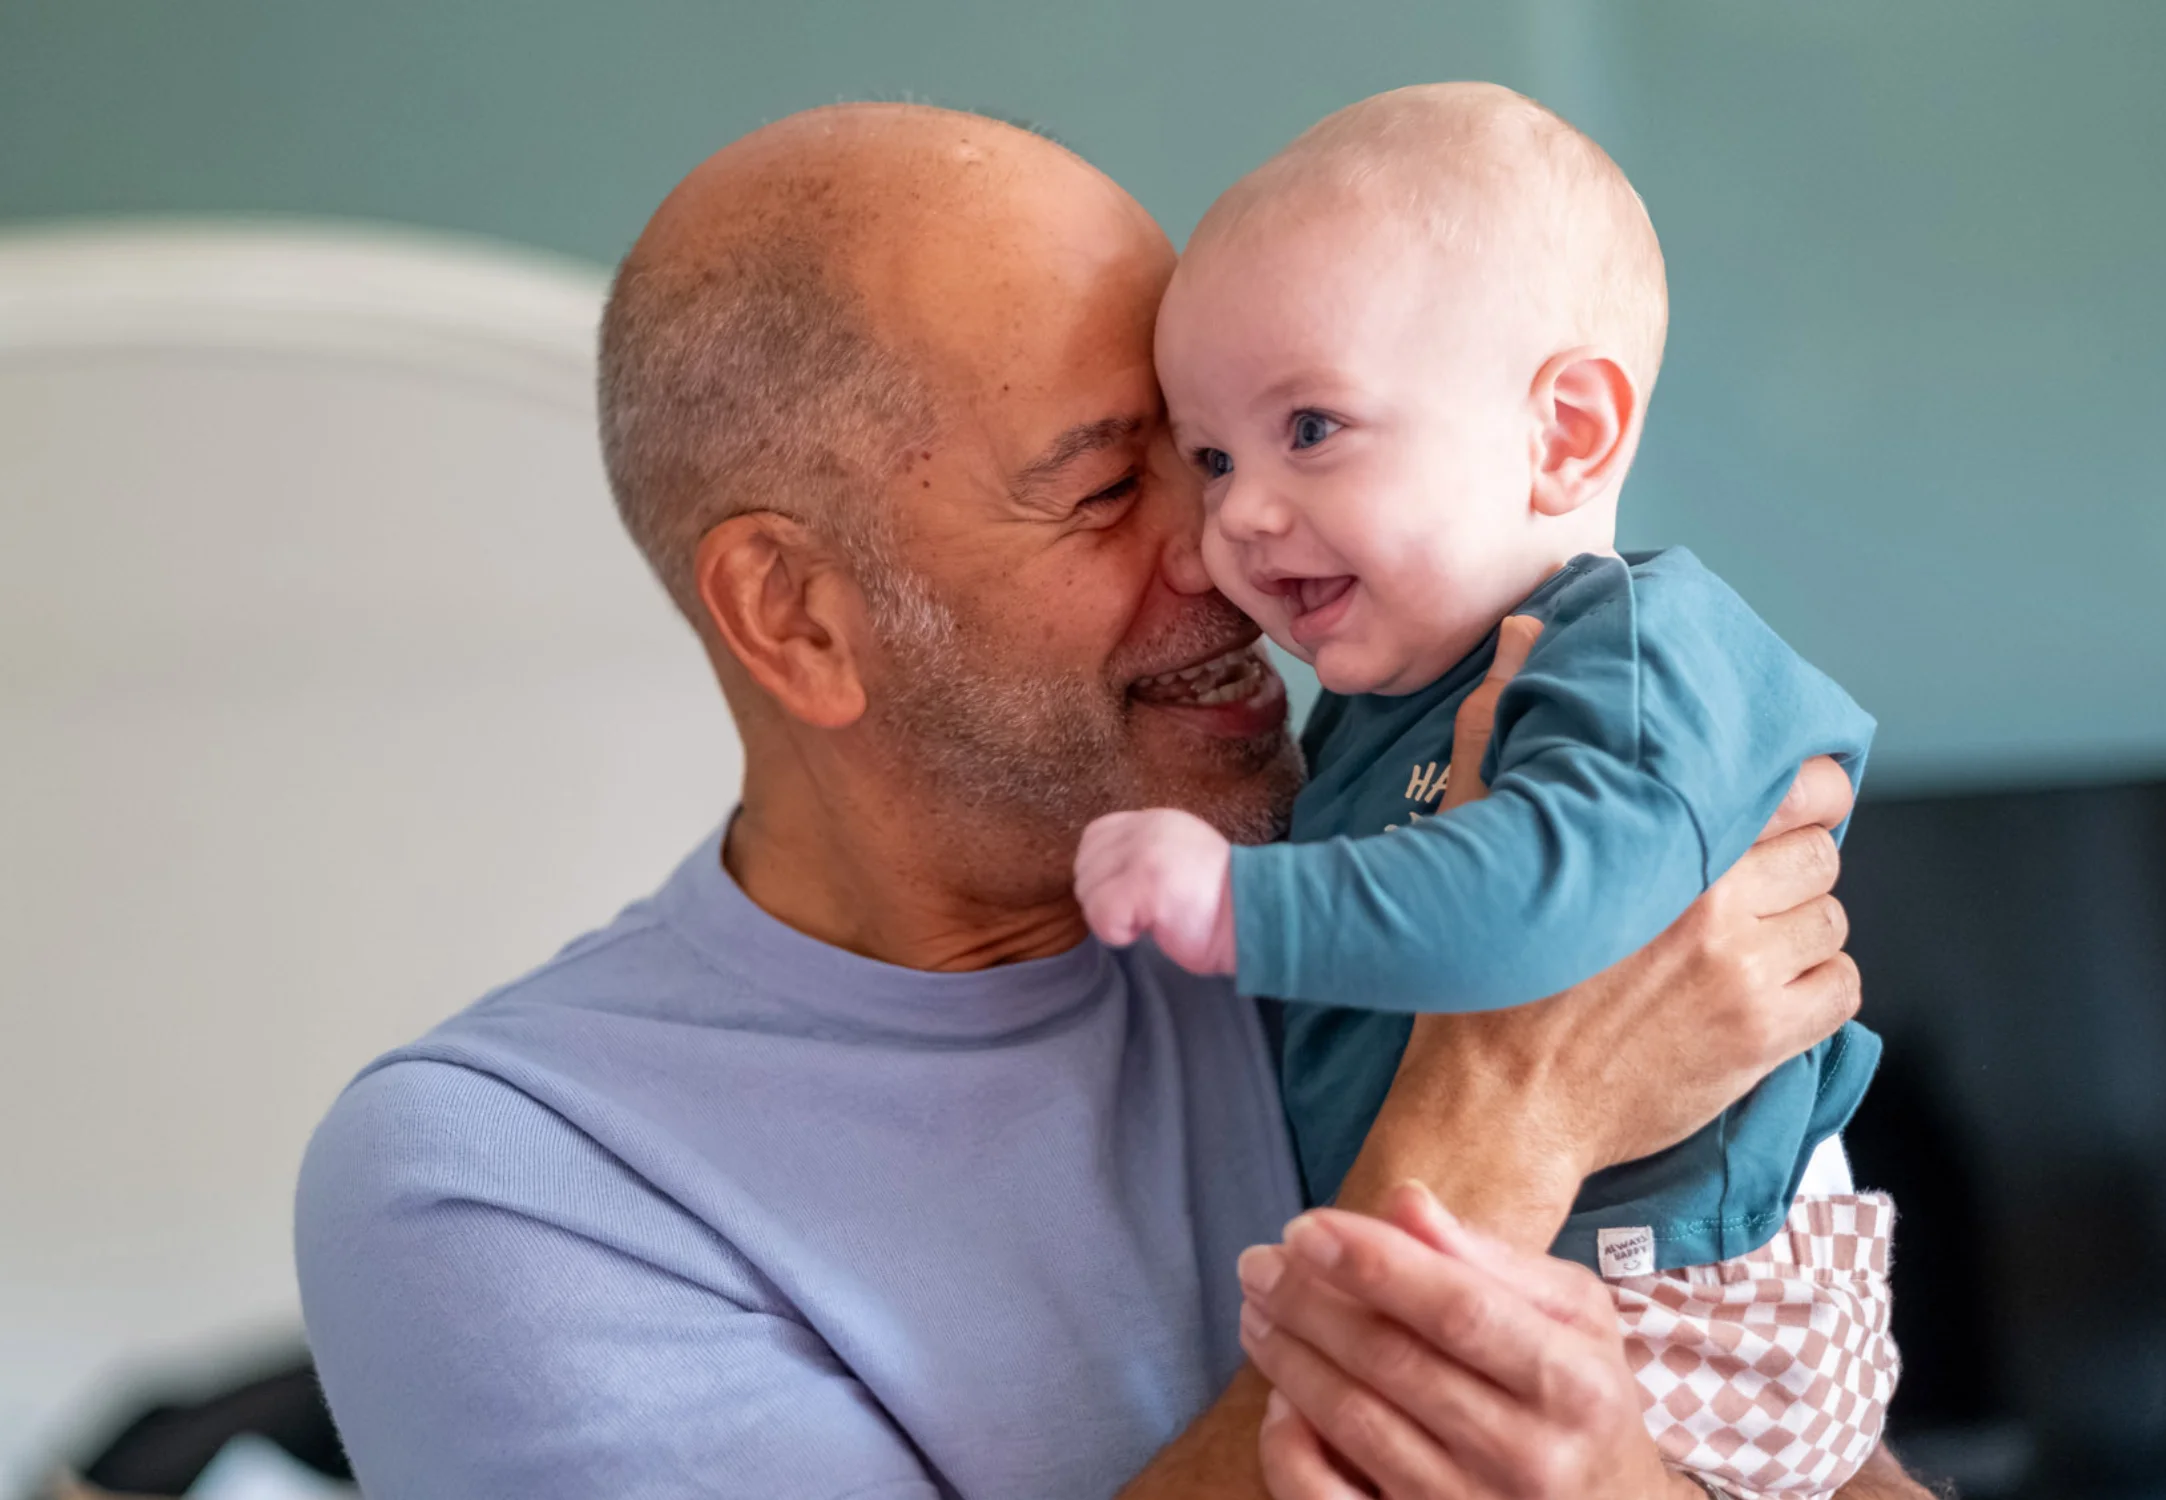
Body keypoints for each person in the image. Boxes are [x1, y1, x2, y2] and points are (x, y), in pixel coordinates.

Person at [293, 102, 1926, 1499]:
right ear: (796, 616)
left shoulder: (1377, 847)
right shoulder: (508, 1179)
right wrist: (1510, 1099)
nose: (1236, 554)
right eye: (1109, 487)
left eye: (1235, 448)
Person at [1072, 84, 1897, 1497]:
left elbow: (1548, 897)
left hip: (1702, 1303)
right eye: (1213, 459)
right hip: (1576, 1272)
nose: (1237, 521)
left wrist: (1234, 900)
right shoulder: (1382, 713)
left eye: (1311, 428)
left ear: (1566, 435)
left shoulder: (1638, 654)